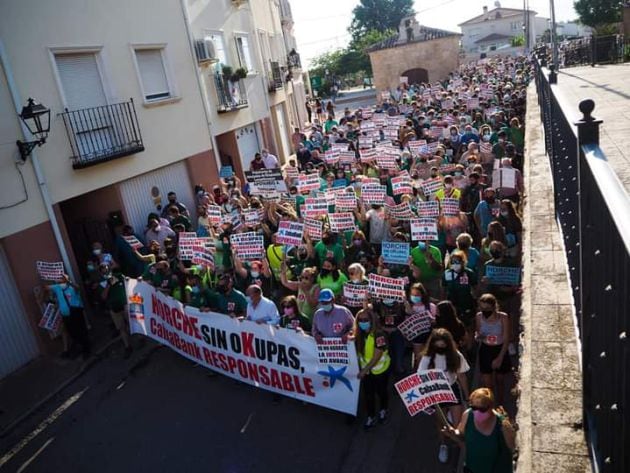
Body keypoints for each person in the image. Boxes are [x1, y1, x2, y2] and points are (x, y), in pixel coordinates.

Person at [419, 328, 470, 464]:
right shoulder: (427, 358)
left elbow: (462, 376)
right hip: (435, 392)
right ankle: (443, 445)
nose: (440, 347)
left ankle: (462, 448)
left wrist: (467, 396)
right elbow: (421, 377)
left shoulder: (456, 355)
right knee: (441, 423)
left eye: (443, 345)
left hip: (452, 389)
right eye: (438, 345)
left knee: (458, 422)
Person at [443, 387, 515, 473]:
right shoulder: (467, 415)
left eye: (482, 409)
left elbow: (512, 448)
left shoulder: (502, 425)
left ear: (491, 406)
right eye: (474, 407)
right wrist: (452, 433)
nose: (477, 412)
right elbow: (461, 436)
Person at [355, 308, 390, 429]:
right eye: (359, 320)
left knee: (381, 392)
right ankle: (371, 416)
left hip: (379, 370)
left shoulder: (379, 335)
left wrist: (364, 370)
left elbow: (377, 355)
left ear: (371, 320)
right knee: (368, 395)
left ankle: (383, 410)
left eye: (365, 320)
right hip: (367, 372)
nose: (362, 322)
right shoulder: (359, 334)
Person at [475, 294, 511, 406]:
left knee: (500, 380)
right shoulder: (479, 317)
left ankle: (500, 402)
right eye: (482, 308)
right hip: (486, 350)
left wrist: (500, 358)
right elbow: (478, 333)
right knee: (488, 383)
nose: (484, 311)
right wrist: (478, 337)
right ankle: (490, 404)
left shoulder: (503, 317)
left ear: (493, 307)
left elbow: (506, 339)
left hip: (499, 349)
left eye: (487, 309)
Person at [46, 274, 91, 358]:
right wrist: (48, 277)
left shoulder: (72, 287)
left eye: (62, 277)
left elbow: (77, 288)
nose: (60, 279)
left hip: (76, 312)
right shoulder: (57, 287)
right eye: (59, 278)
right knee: (72, 332)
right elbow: (46, 288)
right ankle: (80, 348)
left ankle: (86, 349)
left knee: (81, 331)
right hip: (66, 315)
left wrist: (69, 282)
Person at [98, 263, 132, 358]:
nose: (106, 271)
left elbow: (128, 282)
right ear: (101, 273)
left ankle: (140, 338)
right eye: (103, 270)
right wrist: (108, 285)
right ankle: (127, 346)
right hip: (113, 308)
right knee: (121, 328)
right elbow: (103, 297)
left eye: (107, 269)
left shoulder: (118, 276)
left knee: (131, 323)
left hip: (124, 304)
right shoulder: (101, 283)